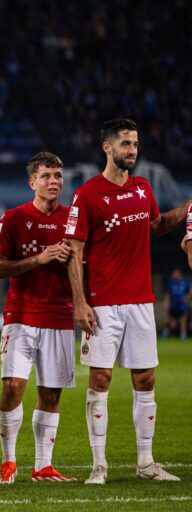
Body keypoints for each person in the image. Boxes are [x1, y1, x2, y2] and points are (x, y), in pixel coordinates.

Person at [66, 118, 189, 484]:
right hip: (102, 302)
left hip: (140, 301)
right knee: (100, 379)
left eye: (135, 143)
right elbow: (74, 251)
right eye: (125, 144)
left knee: (146, 378)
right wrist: (79, 302)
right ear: (107, 147)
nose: (132, 150)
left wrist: (188, 208)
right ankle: (99, 466)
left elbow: (155, 225)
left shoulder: (142, 187)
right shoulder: (87, 194)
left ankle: (146, 462)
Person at [0, 152, 77, 484]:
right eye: (46, 176)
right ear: (32, 183)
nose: (53, 181)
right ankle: (8, 462)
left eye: (57, 175)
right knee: (13, 387)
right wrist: (39, 259)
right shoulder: (13, 218)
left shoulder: (72, 219)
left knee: (51, 393)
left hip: (59, 315)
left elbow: (85, 265)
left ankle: (43, 466)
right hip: (22, 316)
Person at [162, 268, 190, 339]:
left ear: (180, 274)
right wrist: (167, 301)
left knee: (182, 320)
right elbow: (167, 293)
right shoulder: (171, 283)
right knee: (167, 320)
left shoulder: (185, 282)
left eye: (176, 273)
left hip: (182, 306)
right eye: (174, 273)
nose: (174, 275)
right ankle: (165, 334)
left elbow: (190, 291)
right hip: (173, 305)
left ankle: (183, 335)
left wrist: (186, 298)